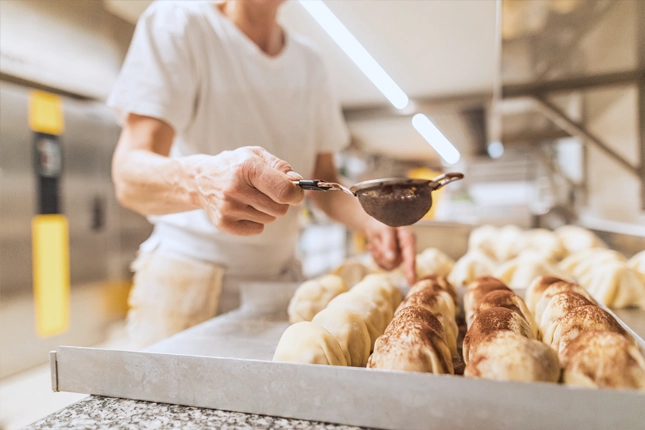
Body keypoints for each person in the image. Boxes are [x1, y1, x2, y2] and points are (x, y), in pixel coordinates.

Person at [109, 0, 416, 348]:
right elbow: (127, 175)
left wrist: (374, 220)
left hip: (280, 284)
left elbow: (324, 181)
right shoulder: (179, 24)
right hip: (186, 285)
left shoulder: (309, 63)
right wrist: (200, 180)